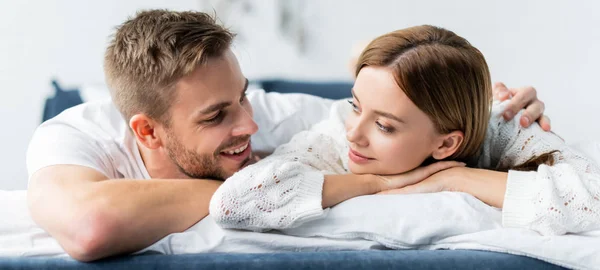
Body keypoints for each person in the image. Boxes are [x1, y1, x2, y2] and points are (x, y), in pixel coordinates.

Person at [26, 10, 549, 261]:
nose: (248, 126)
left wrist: (501, 113)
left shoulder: (281, 116)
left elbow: (402, 116)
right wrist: (270, 194)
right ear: (147, 130)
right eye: (215, 117)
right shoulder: (78, 135)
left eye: (244, 96)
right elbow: (90, 227)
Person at [209, 25, 600, 236]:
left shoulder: (503, 127)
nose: (355, 134)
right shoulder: (332, 135)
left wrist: (458, 179)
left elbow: (592, 200)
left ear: (448, 144)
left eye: (383, 125)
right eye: (355, 106)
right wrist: (378, 183)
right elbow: (232, 205)